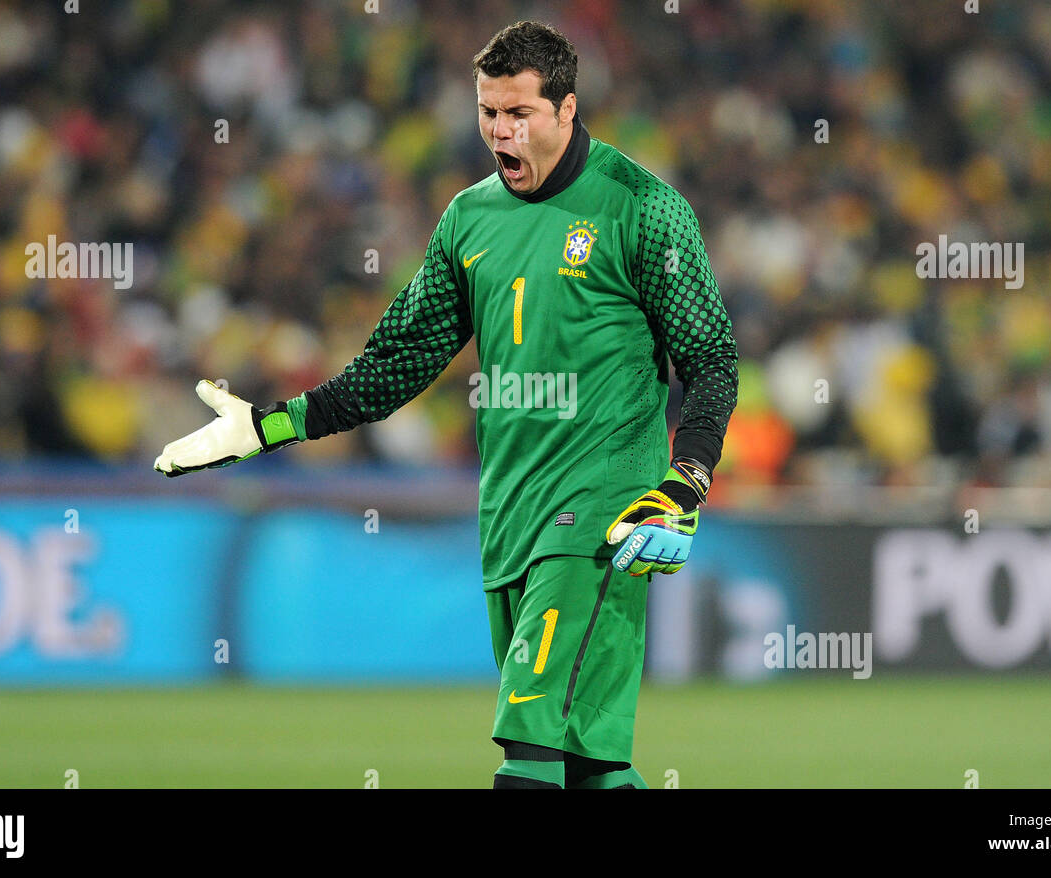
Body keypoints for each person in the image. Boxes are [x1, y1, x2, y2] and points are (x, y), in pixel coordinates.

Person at [154, 20, 738, 789]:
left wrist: (686, 478)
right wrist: (268, 427)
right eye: (489, 113)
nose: (500, 131)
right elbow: (395, 366)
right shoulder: (470, 220)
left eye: (519, 114)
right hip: (507, 517)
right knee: (591, 763)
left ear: (566, 110)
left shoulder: (643, 208)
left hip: (601, 521)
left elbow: (711, 359)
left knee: (528, 750)